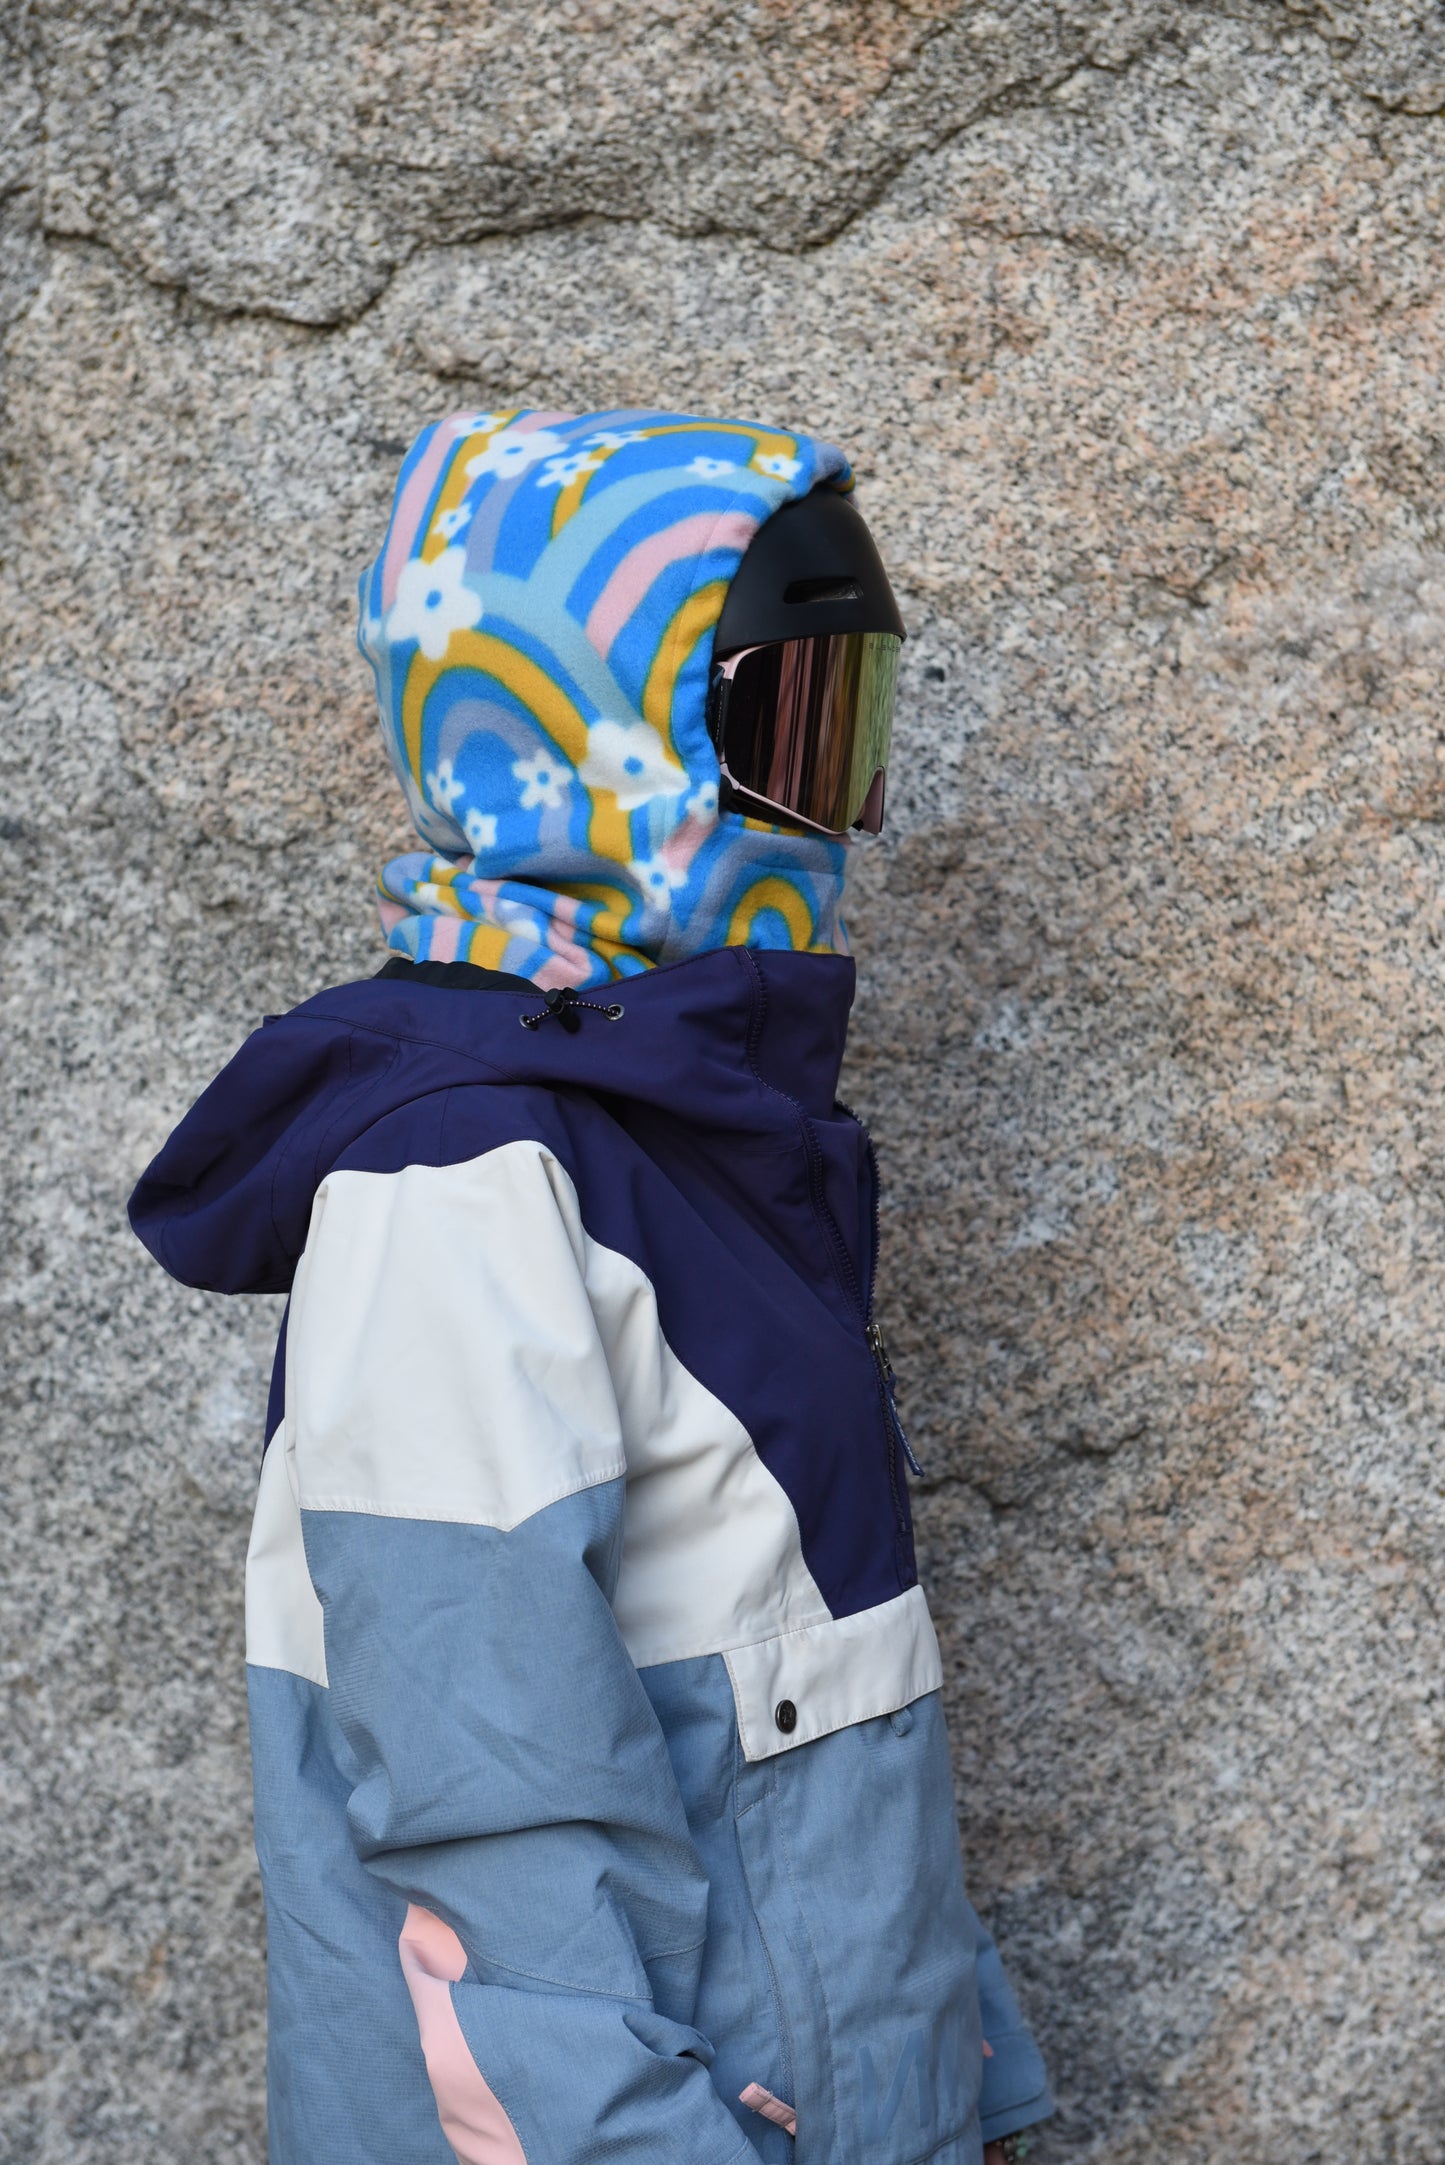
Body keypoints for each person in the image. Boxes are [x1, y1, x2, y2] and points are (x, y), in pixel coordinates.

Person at [129, 409, 1054, 2165]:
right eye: (781, 727)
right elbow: (497, 1839)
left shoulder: (684, 1127)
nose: (836, 804)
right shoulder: (461, 1185)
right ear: (590, 741)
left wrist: (959, 2071)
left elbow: (811, 1706)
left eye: (845, 725)